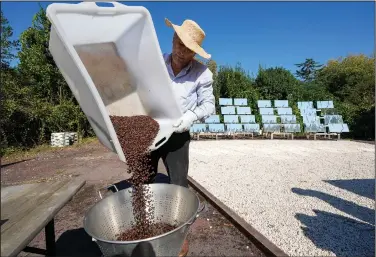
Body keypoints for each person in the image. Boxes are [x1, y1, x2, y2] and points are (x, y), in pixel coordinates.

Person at [148, 18, 215, 257]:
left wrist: (189, 117)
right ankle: (146, 231)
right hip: (151, 129)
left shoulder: (201, 73)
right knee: (143, 180)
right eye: (177, 42)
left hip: (178, 135)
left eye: (186, 48)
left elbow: (209, 106)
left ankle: (179, 235)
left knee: (178, 185)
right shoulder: (156, 63)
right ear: (173, 39)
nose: (179, 50)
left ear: (194, 52)